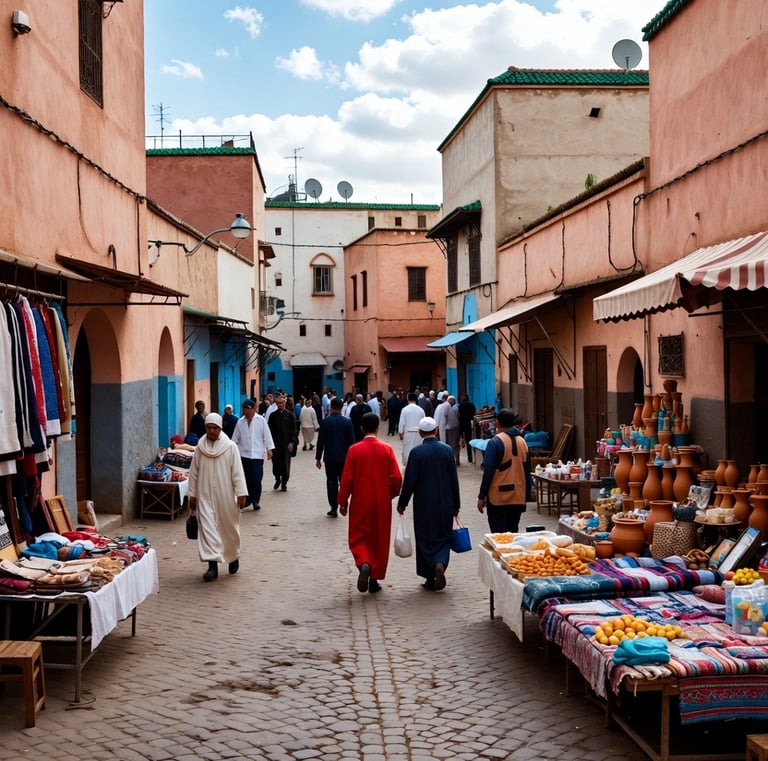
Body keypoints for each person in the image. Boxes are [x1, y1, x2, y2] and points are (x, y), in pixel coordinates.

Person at [337, 413, 402, 594]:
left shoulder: (354, 450)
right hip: (381, 501)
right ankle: (374, 579)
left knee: (358, 536)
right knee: (379, 539)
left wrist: (343, 501)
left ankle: (363, 562)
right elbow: (397, 477)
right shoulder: (387, 449)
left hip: (360, 500)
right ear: (378, 428)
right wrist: (392, 494)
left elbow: (347, 478)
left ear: (361, 428)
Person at [397, 417, 460, 591]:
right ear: (436, 430)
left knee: (424, 536)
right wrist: (456, 504)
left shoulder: (416, 453)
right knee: (443, 535)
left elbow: (410, 481)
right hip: (445, 501)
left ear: (420, 433)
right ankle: (440, 562)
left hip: (424, 503)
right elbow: (454, 480)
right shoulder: (447, 451)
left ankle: (429, 576)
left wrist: (403, 503)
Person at [187, 413, 248, 581]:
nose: (211, 431)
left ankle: (232, 556)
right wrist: (192, 494)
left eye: (215, 428)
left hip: (226, 495)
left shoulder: (230, 447)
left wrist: (241, 494)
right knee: (207, 529)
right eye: (208, 428)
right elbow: (194, 473)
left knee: (228, 528)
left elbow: (237, 472)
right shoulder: (200, 447)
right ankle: (212, 566)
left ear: (220, 428)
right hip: (204, 494)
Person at [476, 409, 532, 533]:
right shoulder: (523, 442)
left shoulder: (495, 442)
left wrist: (482, 496)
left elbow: (488, 471)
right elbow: (527, 470)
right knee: (512, 533)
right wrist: (527, 493)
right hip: (518, 496)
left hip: (499, 497)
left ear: (497, 423)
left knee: (498, 537)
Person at [315, 396, 356, 517]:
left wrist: (318, 457)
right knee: (343, 482)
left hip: (330, 458)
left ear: (331, 407)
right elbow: (352, 442)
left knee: (331, 482)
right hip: (345, 458)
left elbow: (321, 441)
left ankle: (333, 507)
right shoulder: (347, 422)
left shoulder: (326, 422)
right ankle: (343, 502)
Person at [231, 399, 274, 511]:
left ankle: (256, 500)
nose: (244, 411)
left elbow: (267, 435)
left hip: (257, 455)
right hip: (244, 455)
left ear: (252, 409)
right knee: (246, 479)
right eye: (243, 409)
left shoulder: (261, 420)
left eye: (246, 409)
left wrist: (269, 449)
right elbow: (234, 439)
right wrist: (230, 450)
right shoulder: (240, 422)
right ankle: (248, 500)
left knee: (256, 478)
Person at [267, 395, 299, 491]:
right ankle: (277, 479)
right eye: (278, 403)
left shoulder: (290, 416)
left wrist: (292, 442)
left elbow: (294, 430)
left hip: (286, 445)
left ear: (285, 403)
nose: (280, 405)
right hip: (275, 445)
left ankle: (284, 483)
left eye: (281, 403)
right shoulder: (273, 416)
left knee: (285, 465)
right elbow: (269, 431)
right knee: (276, 464)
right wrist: (269, 445)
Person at [398, 392, 425, 466]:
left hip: (408, 432)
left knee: (407, 449)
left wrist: (400, 432)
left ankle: (408, 464)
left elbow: (401, 422)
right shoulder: (421, 410)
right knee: (418, 448)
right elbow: (423, 422)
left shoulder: (405, 409)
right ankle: (418, 464)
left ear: (408, 399)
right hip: (419, 433)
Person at [458, 393, 477, 464]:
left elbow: (458, 415)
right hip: (468, 424)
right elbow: (474, 413)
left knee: (459, 441)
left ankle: (457, 458)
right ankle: (470, 458)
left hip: (461, 425)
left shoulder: (460, 406)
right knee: (469, 441)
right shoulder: (471, 405)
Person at [443, 396, 461, 465]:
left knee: (452, 443)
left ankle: (453, 459)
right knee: (455, 444)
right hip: (455, 427)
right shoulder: (456, 407)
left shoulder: (453, 408)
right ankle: (456, 459)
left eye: (450, 401)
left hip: (451, 428)